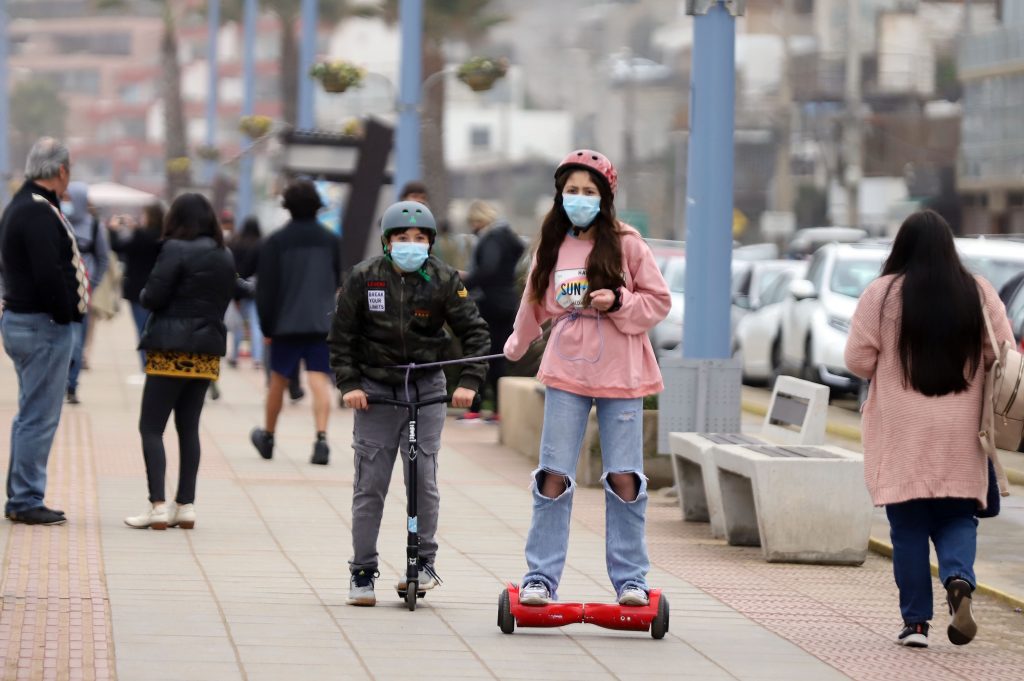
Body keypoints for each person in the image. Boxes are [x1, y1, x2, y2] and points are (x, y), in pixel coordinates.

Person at [503, 149, 670, 607]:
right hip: (567, 370)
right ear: (560, 195)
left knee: (624, 478)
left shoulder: (629, 244)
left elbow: (658, 303)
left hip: (624, 372)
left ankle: (631, 579)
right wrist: (516, 344)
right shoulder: (553, 246)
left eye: (589, 192)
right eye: (572, 191)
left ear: (605, 197)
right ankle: (540, 577)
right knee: (552, 475)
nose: (579, 199)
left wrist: (618, 302)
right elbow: (533, 302)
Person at [845, 210, 1014, 649]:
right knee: (959, 515)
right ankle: (958, 578)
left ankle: (916, 623)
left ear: (901, 247)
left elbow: (857, 361)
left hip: (903, 435)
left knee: (908, 530)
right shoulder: (977, 292)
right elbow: (1003, 351)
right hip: (961, 433)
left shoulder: (882, 295)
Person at [330, 200, 490, 606]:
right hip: (376, 391)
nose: (411, 245)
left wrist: (468, 383)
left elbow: (475, 333)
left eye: (420, 239)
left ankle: (423, 563)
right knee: (370, 485)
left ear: (431, 243)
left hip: (426, 388)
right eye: (402, 238)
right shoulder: (364, 278)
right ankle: (362, 570)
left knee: (423, 481)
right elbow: (341, 337)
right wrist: (349, 384)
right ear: (387, 242)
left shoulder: (443, 278)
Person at [124, 194, 235, 530]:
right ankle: (185, 504)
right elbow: (230, 292)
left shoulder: (174, 249)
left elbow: (153, 295)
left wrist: (145, 295)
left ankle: (157, 505)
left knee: (151, 427)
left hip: (171, 349)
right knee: (189, 428)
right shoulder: (224, 253)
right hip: (206, 351)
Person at [0, 137, 85, 526]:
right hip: (43, 325)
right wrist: (67, 313)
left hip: (24, 320)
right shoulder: (37, 212)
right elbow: (48, 271)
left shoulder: (21, 206)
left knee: (28, 414)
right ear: (61, 170)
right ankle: (25, 498)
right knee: (38, 416)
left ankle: (21, 494)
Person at [250, 180, 341, 466]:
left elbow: (266, 289)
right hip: (320, 322)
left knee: (278, 379)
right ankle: (321, 439)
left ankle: (268, 437)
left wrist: (266, 327)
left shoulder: (276, 241)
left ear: (287, 206)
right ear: (318, 206)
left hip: (285, 323)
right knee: (318, 379)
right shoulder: (331, 241)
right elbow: (339, 278)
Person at [458, 200, 524, 423]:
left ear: (478, 221)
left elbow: (488, 268)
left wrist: (465, 283)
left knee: (480, 354)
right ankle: (497, 409)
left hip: (490, 303)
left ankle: (476, 408)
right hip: (509, 302)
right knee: (499, 357)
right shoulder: (510, 237)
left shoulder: (491, 238)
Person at [64, 181, 110, 405]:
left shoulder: (93, 227)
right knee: (60, 340)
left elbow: (103, 258)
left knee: (77, 342)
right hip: (58, 292)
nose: (66, 203)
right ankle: (60, 382)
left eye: (69, 199)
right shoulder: (56, 222)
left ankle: (72, 385)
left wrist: (93, 282)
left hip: (82, 293)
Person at [110, 202, 163, 370]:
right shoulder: (164, 236)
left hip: (137, 289)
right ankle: (155, 362)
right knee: (154, 328)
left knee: (141, 329)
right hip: (159, 289)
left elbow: (118, 247)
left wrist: (113, 230)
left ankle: (146, 365)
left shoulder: (141, 235)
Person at [227, 216, 264, 368]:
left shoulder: (235, 243)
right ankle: (257, 359)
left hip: (240, 290)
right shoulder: (262, 244)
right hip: (257, 291)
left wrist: (234, 295)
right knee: (256, 326)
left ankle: (234, 355)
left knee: (238, 325)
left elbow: (233, 270)